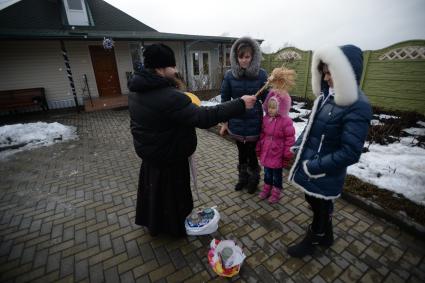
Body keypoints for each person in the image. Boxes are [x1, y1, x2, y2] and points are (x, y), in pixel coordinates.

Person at [127, 43, 257, 237]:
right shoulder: (169, 97)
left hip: (152, 158)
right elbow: (203, 117)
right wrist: (239, 104)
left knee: (155, 196)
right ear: (161, 68)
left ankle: (154, 224)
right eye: (173, 66)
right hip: (170, 159)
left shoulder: (136, 93)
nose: (176, 70)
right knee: (173, 199)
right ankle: (173, 230)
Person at [287, 45, 372, 257]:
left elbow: (351, 152)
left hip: (324, 170)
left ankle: (314, 237)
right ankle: (327, 235)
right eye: (323, 73)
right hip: (312, 165)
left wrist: (315, 166)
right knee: (314, 201)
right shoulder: (326, 97)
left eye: (329, 73)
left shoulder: (357, 105)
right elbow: (310, 127)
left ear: (346, 73)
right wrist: (298, 145)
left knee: (320, 207)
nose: (325, 78)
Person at [220, 36, 268, 194]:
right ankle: (243, 178)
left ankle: (254, 179)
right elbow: (225, 99)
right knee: (241, 152)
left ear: (253, 57)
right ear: (236, 57)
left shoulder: (261, 75)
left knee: (251, 152)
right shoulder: (229, 75)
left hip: (254, 120)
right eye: (241, 57)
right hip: (237, 120)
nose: (244, 60)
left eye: (247, 57)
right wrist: (225, 122)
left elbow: (267, 98)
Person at [256, 88, 295, 204]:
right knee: (267, 173)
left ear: (280, 107)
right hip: (266, 151)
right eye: (269, 107)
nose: (271, 110)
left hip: (278, 153)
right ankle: (267, 189)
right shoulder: (265, 119)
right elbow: (262, 134)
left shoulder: (286, 121)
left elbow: (290, 139)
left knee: (277, 175)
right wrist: (259, 147)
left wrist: (287, 153)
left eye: (274, 107)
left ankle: (276, 192)